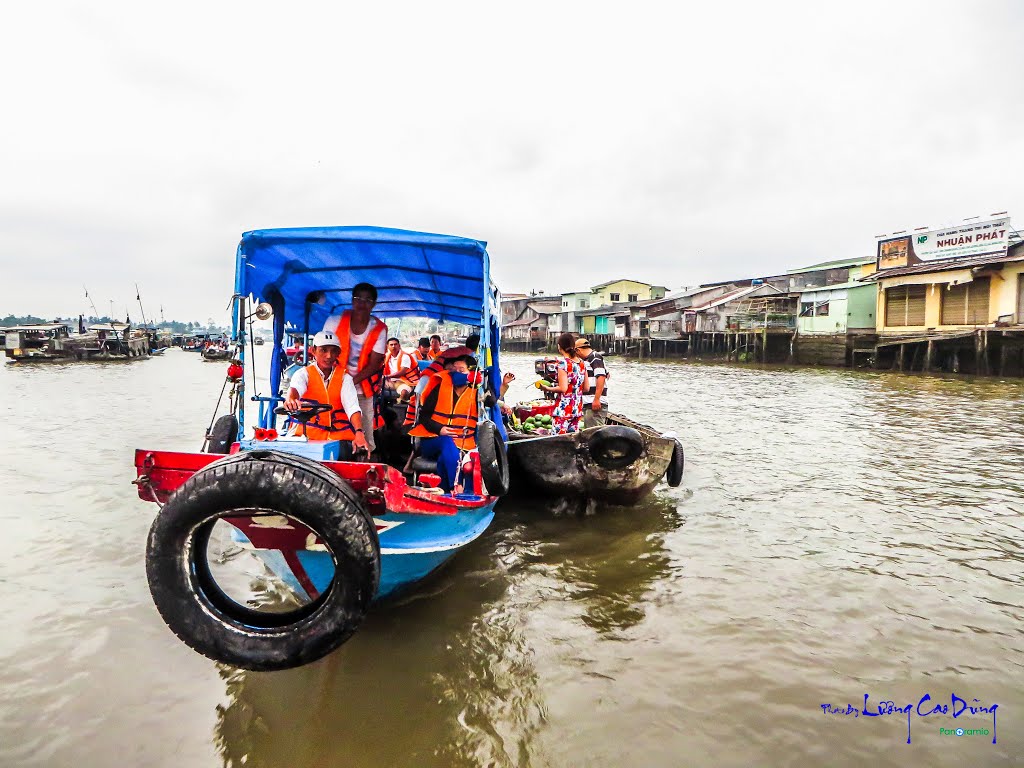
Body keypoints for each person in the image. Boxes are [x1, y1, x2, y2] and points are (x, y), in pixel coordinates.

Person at [321, 282, 387, 453]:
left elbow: (374, 364)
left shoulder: (379, 329)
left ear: (373, 304)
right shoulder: (333, 321)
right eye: (358, 299)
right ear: (352, 300)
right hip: (332, 387)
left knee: (366, 437)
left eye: (367, 300)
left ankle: (367, 470)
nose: (362, 304)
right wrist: (337, 384)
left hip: (362, 389)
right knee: (329, 430)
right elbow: (323, 354)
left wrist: (349, 383)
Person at [283, 331, 369, 455]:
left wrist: (359, 432)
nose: (329, 356)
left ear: (338, 354)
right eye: (323, 350)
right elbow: (295, 389)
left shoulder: (345, 378)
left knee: (348, 451)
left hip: (337, 435)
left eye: (333, 351)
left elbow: (352, 407)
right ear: (313, 351)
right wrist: (291, 399)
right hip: (305, 434)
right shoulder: (303, 374)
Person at [409, 354, 479, 493]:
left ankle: (444, 492)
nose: (456, 374)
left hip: (462, 444)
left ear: (471, 373)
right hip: (432, 441)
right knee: (446, 441)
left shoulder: (478, 392)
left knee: (444, 459)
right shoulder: (440, 386)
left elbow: (492, 403)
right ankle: (456, 486)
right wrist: (439, 429)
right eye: (454, 370)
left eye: (461, 370)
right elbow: (423, 416)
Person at [540, 332, 585, 434]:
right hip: (577, 410)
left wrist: (547, 388)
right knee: (572, 442)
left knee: (557, 442)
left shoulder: (563, 363)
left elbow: (563, 388)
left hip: (563, 410)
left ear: (559, 346)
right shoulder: (582, 364)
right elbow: (585, 388)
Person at [574, 337, 609, 429]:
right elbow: (607, 374)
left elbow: (601, 377)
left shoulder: (595, 357)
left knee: (594, 432)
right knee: (589, 431)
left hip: (594, 402)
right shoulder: (587, 360)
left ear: (577, 350)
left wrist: (596, 399)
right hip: (588, 402)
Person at [383, 337, 418, 402]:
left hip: (405, 381)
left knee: (404, 392)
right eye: (391, 345)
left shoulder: (405, 356)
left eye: (395, 344)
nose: (393, 346)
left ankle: (399, 405)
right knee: (373, 386)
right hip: (390, 382)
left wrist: (387, 376)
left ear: (399, 345)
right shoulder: (387, 357)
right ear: (387, 346)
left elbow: (401, 372)